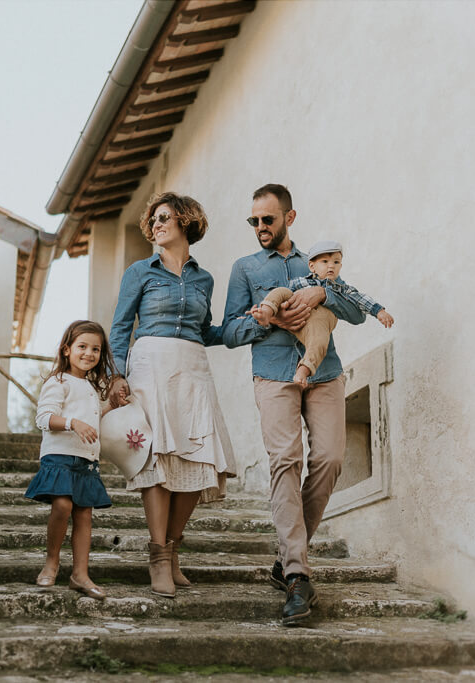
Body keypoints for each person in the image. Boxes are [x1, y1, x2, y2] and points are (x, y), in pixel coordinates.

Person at [223, 184, 365, 626]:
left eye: (268, 219)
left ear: (289, 217)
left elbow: (358, 311)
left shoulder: (317, 263)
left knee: (330, 459)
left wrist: (324, 294)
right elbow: (228, 331)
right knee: (286, 460)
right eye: (254, 221)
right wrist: (270, 321)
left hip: (323, 373)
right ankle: (298, 576)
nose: (260, 227)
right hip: (272, 373)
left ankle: (286, 555)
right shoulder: (245, 268)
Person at [109, 191, 236, 598]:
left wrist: (252, 327)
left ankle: (173, 548)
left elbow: (207, 330)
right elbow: (120, 327)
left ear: (185, 221)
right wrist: (115, 375)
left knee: (200, 462)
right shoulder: (139, 272)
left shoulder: (204, 279)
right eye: (154, 220)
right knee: (158, 460)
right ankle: (158, 557)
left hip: (193, 368)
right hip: (150, 367)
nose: (157, 225)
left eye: (164, 218)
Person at [24, 319, 118, 600]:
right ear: (67, 349)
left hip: (86, 460)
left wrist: (111, 405)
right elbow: (43, 418)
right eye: (82, 347)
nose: (89, 354)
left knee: (84, 514)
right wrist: (73, 423)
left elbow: (94, 415)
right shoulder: (58, 381)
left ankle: (80, 574)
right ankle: (51, 561)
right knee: (62, 504)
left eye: (96, 349)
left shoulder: (91, 387)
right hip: (59, 456)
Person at [249, 239, 394, 385]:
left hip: (315, 326)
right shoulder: (301, 282)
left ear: (341, 266)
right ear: (312, 266)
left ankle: (303, 371)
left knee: (319, 341)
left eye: (336, 262)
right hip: (293, 318)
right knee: (280, 291)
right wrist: (278, 310)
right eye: (325, 261)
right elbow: (285, 295)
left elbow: (360, 299)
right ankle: (265, 312)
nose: (331, 266)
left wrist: (379, 311)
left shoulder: (342, 289)